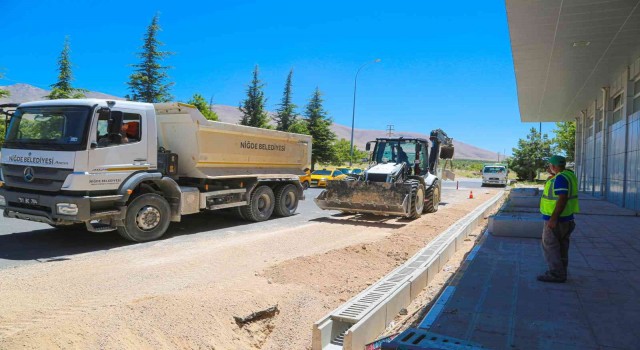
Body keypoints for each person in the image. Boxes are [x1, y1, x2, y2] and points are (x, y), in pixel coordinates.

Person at [538, 155, 580, 283]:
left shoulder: (560, 178)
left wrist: (553, 219)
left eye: (550, 165)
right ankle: (561, 272)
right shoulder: (568, 175)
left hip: (557, 220)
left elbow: (562, 199)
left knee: (550, 247)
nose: (548, 167)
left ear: (553, 166)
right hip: (567, 218)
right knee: (562, 247)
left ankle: (556, 274)